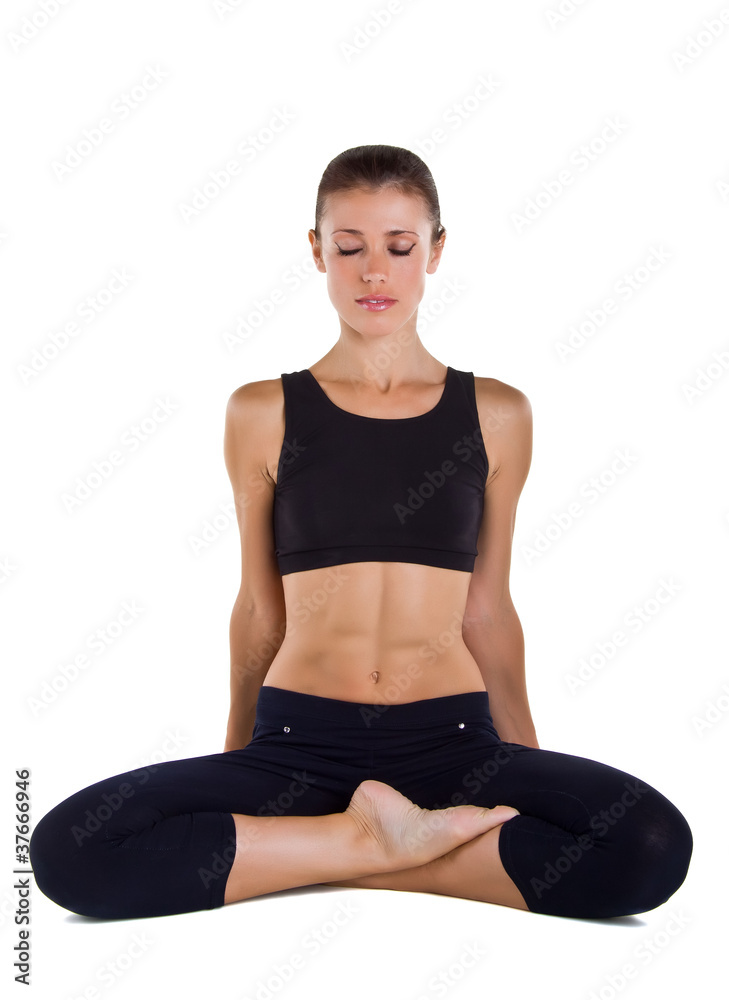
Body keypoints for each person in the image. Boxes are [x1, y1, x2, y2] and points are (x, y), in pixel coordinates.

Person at [29, 144, 693, 921]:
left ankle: (338, 852)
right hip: (296, 741)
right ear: (317, 252)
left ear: (435, 251)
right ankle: (372, 844)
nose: (373, 271)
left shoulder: (498, 413)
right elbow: (257, 607)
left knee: (646, 845)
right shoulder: (261, 411)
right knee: (69, 850)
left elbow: (487, 608)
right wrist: (239, 755)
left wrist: (528, 768)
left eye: (398, 247)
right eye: (349, 247)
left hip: (451, 743)